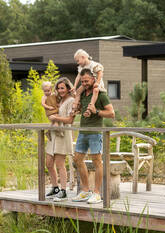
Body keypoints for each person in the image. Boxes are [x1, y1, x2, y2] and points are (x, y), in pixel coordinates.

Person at [72, 68, 115, 204]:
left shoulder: (101, 95)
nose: (84, 83)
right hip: (83, 132)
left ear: (93, 79)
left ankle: (97, 193)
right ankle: (85, 191)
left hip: (95, 133)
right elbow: (81, 108)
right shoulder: (83, 94)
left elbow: (111, 113)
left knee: (97, 161)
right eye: (82, 81)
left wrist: (96, 111)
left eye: (87, 81)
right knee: (77, 159)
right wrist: (78, 109)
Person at [45, 77, 75, 201]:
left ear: (68, 88)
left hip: (63, 134)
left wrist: (55, 118)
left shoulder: (71, 101)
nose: (60, 90)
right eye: (58, 88)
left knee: (60, 164)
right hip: (53, 133)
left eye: (62, 88)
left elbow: (70, 120)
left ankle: (63, 191)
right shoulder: (58, 100)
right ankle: (55, 187)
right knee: (48, 163)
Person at [72, 49, 106, 116]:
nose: (77, 63)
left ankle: (91, 106)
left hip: (96, 82)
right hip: (86, 84)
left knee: (95, 90)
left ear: (83, 57)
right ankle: (75, 106)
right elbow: (78, 77)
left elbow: (100, 73)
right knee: (78, 91)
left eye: (78, 61)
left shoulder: (93, 65)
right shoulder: (81, 67)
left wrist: (97, 82)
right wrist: (74, 86)